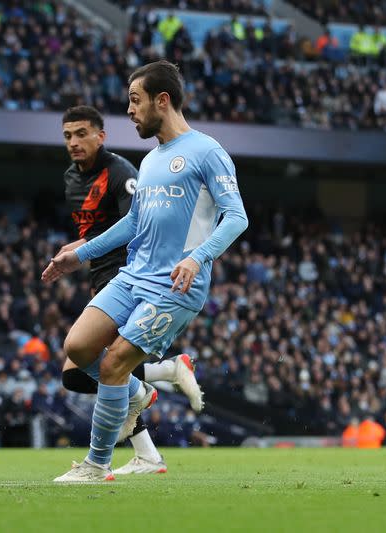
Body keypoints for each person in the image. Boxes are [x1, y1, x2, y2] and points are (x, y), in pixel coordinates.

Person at [44, 60, 248, 481]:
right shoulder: (153, 159)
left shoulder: (207, 151)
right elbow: (133, 223)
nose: (131, 111)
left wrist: (198, 257)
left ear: (163, 100)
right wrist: (78, 255)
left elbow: (236, 217)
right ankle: (141, 393)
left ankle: (96, 464)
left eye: (135, 101)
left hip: (174, 286)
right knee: (78, 348)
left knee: (114, 363)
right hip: (134, 275)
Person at [56, 105, 204, 475]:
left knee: (87, 371)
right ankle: (154, 421)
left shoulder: (121, 172)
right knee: (93, 368)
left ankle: (144, 407)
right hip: (100, 275)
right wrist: (82, 248)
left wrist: (84, 246)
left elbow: (136, 223)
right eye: (68, 136)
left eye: (81, 134)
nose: (74, 142)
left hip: (129, 272)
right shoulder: (71, 178)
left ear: (100, 136)